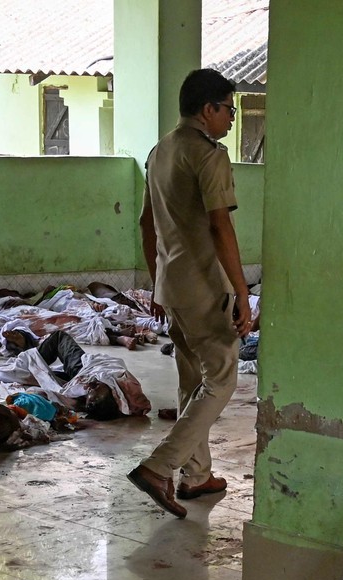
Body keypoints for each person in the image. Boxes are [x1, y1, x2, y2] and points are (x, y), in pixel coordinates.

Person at [127, 68, 254, 519]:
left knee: (191, 379)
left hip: (171, 285)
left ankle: (196, 476)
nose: (232, 120)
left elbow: (146, 225)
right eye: (229, 110)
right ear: (208, 110)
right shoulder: (209, 156)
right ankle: (161, 466)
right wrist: (241, 292)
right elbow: (221, 225)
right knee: (222, 378)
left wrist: (156, 279)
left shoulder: (159, 152)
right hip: (202, 285)